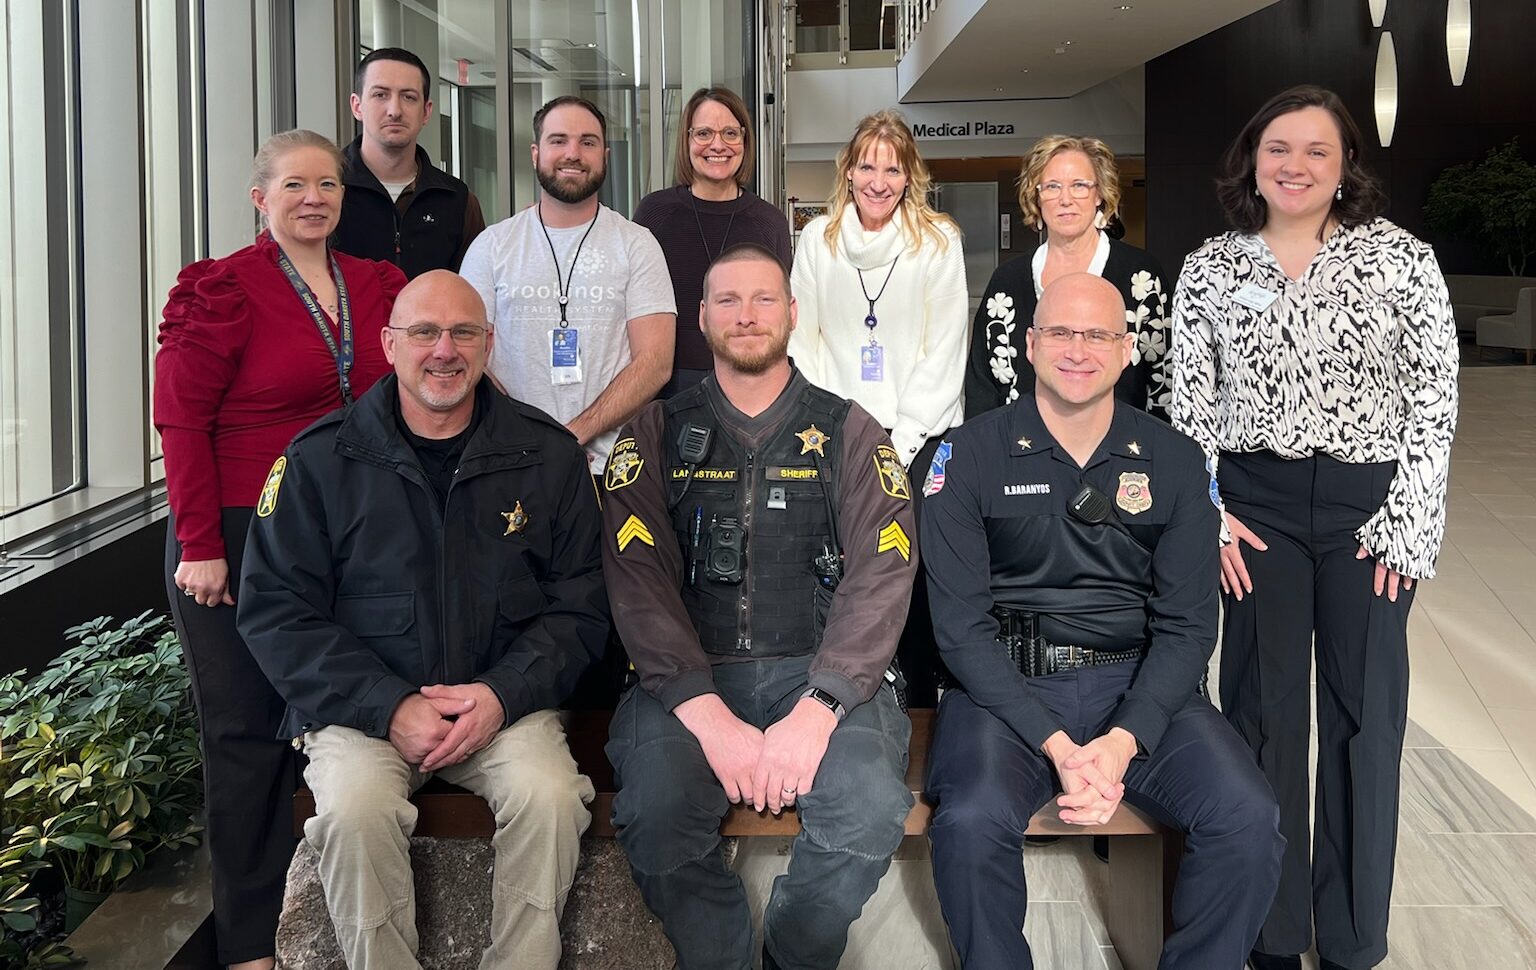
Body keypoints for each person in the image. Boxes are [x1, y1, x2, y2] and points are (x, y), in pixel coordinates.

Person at [237, 270, 609, 970]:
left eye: (463, 332)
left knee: (552, 798)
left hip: (502, 706)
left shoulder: (547, 455)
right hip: (362, 715)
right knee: (353, 811)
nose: (445, 350)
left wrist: (500, 694)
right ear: (389, 344)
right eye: (424, 332)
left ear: (488, 343)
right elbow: (277, 612)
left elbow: (582, 603)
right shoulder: (319, 460)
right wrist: (389, 705)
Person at [1171, 85, 1459, 970]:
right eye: (1278, 149)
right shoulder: (1211, 269)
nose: (1294, 166)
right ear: (1252, 161)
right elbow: (1189, 407)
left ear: (1345, 167)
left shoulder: (1401, 260)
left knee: (1364, 719)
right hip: (1254, 510)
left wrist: (1410, 523)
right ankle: (1270, 934)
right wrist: (1210, 518)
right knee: (1260, 715)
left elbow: (1435, 398)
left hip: (1369, 511)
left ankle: (1352, 941)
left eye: (1316, 151)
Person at [923, 273, 1284, 970]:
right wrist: (1058, 746)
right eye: (1060, 332)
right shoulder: (968, 455)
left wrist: (1122, 741)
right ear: (1030, 345)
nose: (1078, 349)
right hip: (1006, 691)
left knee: (1247, 818)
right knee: (969, 824)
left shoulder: (1176, 461)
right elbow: (961, 630)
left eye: (1098, 335)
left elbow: (1187, 628)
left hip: (1139, 685)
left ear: (1127, 351)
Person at [602, 243, 916, 970]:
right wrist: (705, 714)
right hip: (687, 680)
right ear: (702, 317)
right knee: (655, 816)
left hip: (825, 675)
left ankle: (791, 958)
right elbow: (637, 581)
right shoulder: (652, 433)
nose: (747, 315)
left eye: (764, 298)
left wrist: (822, 705)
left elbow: (883, 573)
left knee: (868, 809)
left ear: (793, 313)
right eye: (729, 300)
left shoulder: (852, 431)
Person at [153, 129, 406, 970]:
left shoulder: (374, 285)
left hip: (344, 533)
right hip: (235, 534)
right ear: (261, 198)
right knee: (246, 734)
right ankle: (251, 944)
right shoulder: (222, 289)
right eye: (294, 185)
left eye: (327, 184)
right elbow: (181, 421)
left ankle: (332, 920)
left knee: (338, 724)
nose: (313, 199)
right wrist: (200, 543)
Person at [788, 109, 967, 707]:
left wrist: (899, 442)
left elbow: (945, 350)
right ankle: (842, 693)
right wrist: (837, 428)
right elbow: (803, 342)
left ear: (909, 175)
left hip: (920, 440)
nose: (878, 182)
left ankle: (918, 704)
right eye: (868, 166)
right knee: (843, 570)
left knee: (913, 575)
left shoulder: (937, 242)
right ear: (849, 170)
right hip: (835, 436)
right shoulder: (818, 240)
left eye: (892, 169)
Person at [460, 95, 675, 474]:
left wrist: (570, 437)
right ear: (535, 153)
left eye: (587, 142)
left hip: (611, 470)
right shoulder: (491, 246)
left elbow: (655, 363)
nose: (572, 153)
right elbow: (468, 352)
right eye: (558, 140)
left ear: (604, 156)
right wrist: (528, 437)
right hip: (510, 460)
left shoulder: (637, 244)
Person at [965, 135, 1171, 422]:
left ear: (1100, 194)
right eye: (1052, 186)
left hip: (1124, 445)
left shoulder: (1141, 277)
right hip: (1018, 444)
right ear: (1036, 196)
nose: (1065, 199)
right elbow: (982, 388)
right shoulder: (1007, 283)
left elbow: (1164, 379)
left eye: (1079, 185)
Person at [634, 86, 793, 397]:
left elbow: (778, 311)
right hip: (666, 386)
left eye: (730, 133)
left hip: (749, 382)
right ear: (687, 141)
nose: (717, 145)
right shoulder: (654, 213)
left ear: (745, 141)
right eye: (704, 133)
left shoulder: (769, 221)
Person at [332, 47, 487, 277]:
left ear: (426, 111)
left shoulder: (458, 200)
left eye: (409, 97)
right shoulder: (325, 190)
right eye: (380, 95)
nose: (395, 111)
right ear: (357, 106)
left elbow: (473, 288)